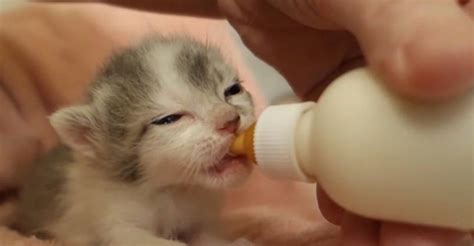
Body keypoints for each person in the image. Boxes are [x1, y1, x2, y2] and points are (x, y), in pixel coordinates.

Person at [3, 1, 474, 245]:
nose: (230, 118)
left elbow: (200, 231)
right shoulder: (102, 192)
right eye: (169, 118)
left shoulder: (197, 192)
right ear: (93, 141)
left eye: (232, 90)